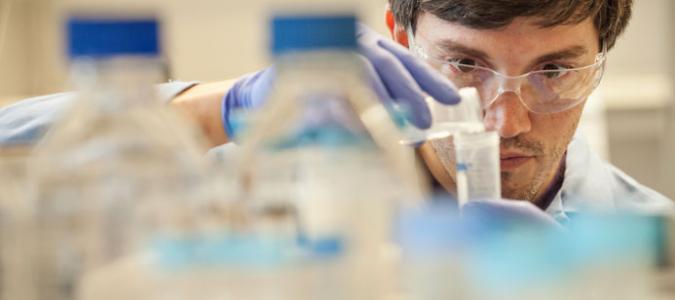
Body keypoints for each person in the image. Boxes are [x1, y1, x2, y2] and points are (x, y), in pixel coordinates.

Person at [0, 0, 672, 222]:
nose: (506, 122)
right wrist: (220, 112)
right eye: (464, 65)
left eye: (553, 72)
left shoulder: (654, 241)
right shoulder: (263, 195)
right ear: (398, 36)